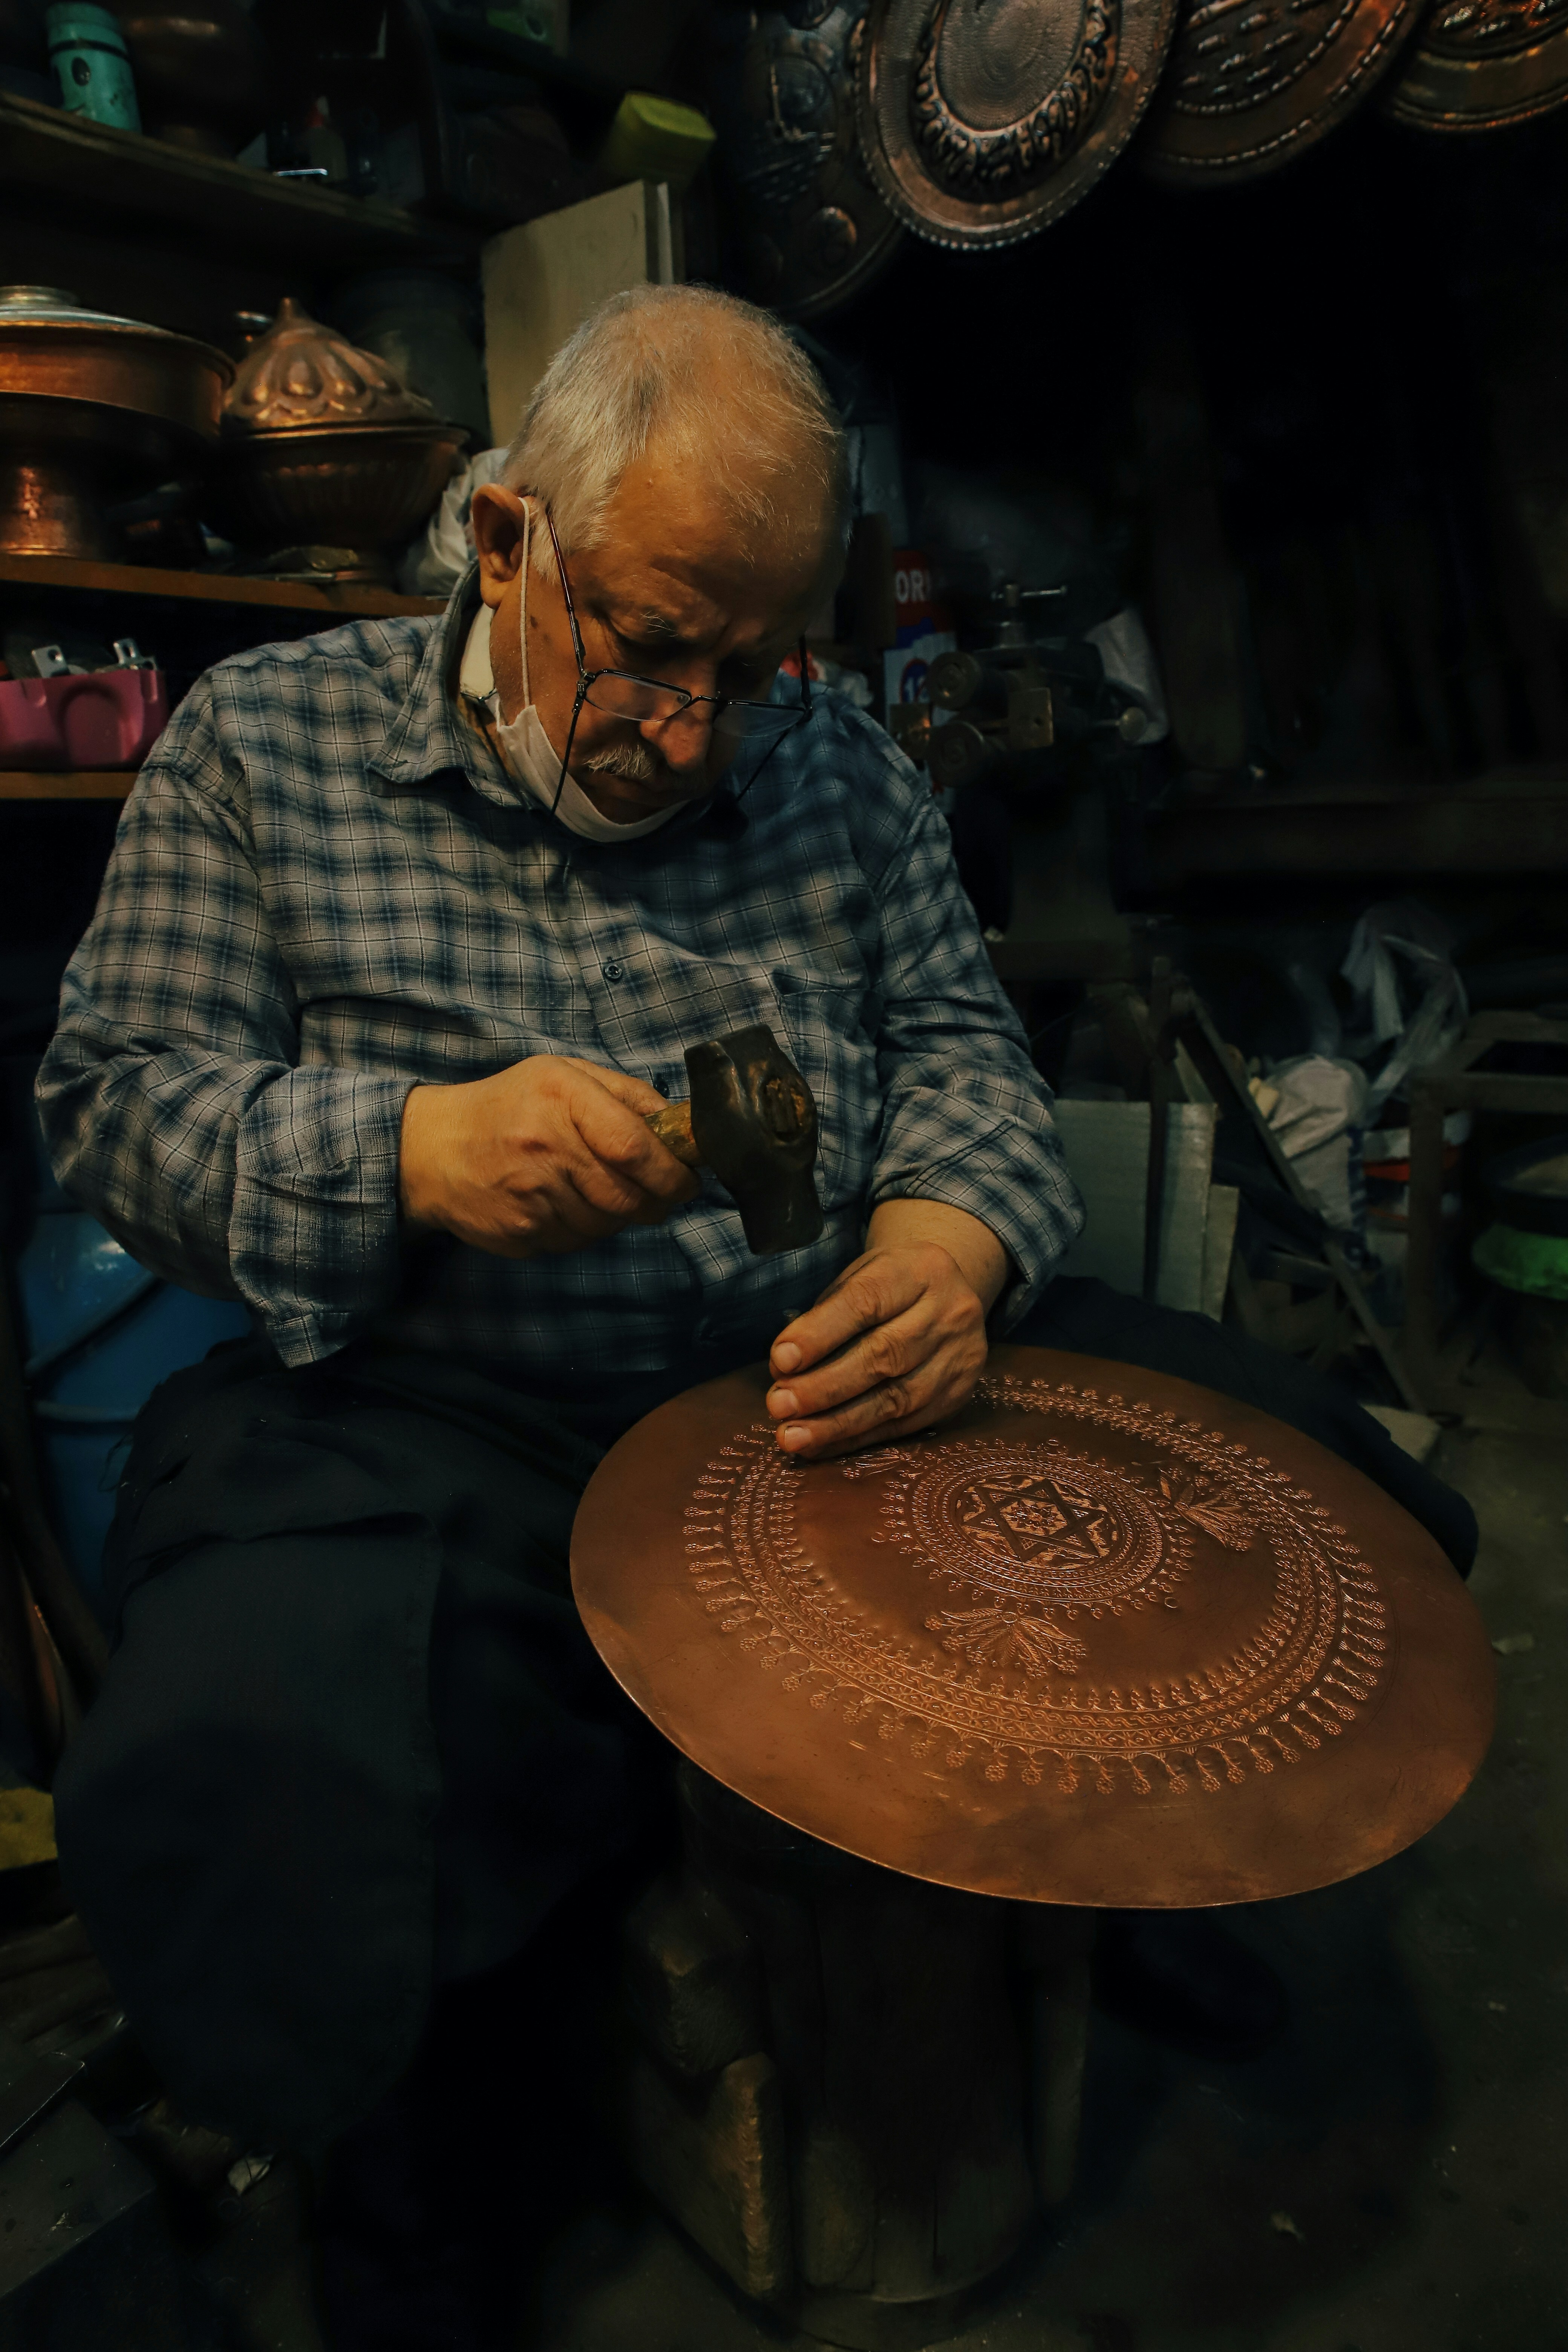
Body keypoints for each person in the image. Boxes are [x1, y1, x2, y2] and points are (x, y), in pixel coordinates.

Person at [34, 285, 1473, 2347]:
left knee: (1305, 1499)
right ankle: (419, 2180)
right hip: (457, 1414)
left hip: (818, 1392)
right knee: (280, 1750)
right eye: (649, 644)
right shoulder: (263, 751)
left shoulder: (845, 772)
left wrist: (943, 1253)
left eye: (758, 663)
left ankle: (1104, 1887)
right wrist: (417, 1155)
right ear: (505, 533)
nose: (700, 729)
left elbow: (972, 1063)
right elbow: (113, 1109)